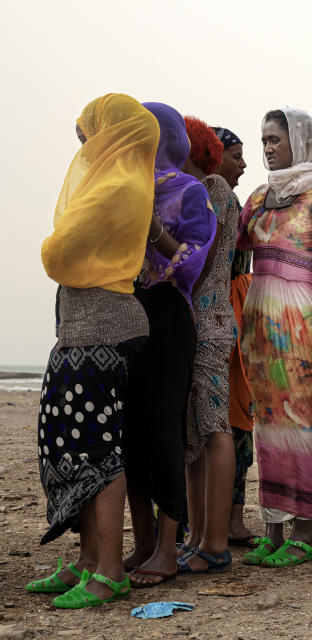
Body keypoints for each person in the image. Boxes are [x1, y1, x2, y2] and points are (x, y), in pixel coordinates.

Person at [27, 94, 158, 608]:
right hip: (88, 325)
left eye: (90, 133)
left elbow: (57, 253)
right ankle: (87, 563)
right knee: (73, 443)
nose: (84, 144)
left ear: (113, 133)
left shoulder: (117, 184)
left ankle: (108, 571)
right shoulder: (123, 181)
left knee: (96, 447)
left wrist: (53, 240)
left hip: (103, 326)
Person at [236, 108, 312, 568]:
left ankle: (303, 532)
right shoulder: (259, 197)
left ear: (300, 143)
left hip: (305, 324)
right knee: (268, 425)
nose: (267, 147)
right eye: (263, 139)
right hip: (261, 324)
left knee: (302, 425)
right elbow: (234, 250)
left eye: (275, 140)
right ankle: (272, 528)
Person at [123, 102, 217, 587]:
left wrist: (150, 225)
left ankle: (167, 546)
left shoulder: (190, 191)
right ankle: (141, 542)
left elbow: (190, 265)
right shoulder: (123, 186)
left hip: (167, 315)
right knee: (129, 431)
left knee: (163, 430)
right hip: (125, 314)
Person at [177, 117, 239, 573]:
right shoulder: (198, 189)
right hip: (199, 319)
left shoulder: (214, 189)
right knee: (195, 434)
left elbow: (204, 256)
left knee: (215, 427)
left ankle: (215, 543)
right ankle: (198, 536)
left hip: (211, 320)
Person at [213, 127, 256, 546]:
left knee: (239, 414)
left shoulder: (236, 204)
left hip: (238, 313)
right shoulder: (208, 201)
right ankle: (213, 518)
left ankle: (233, 518)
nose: (244, 164)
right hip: (220, 313)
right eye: (236, 156)